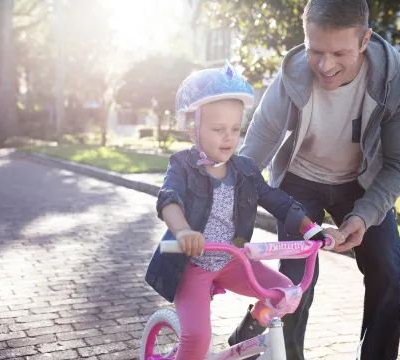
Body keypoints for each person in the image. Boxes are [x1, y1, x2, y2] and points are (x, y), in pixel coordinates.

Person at [237, 0, 400, 359]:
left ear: (365, 39)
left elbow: (399, 163)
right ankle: (276, 347)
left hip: (360, 183)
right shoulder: (291, 75)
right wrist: (225, 194)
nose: (325, 66)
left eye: (340, 52)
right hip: (299, 179)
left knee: (388, 270)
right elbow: (256, 146)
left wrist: (364, 215)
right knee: (296, 277)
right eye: (315, 51)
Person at [144, 63, 344, 360]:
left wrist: (310, 228)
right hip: (192, 266)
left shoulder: (245, 171)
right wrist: (183, 231)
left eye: (235, 129)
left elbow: (277, 200)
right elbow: (169, 199)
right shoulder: (182, 165)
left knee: (287, 293)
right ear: (192, 128)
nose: (228, 137)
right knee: (197, 339)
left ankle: (250, 331)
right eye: (218, 129)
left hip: (233, 262)